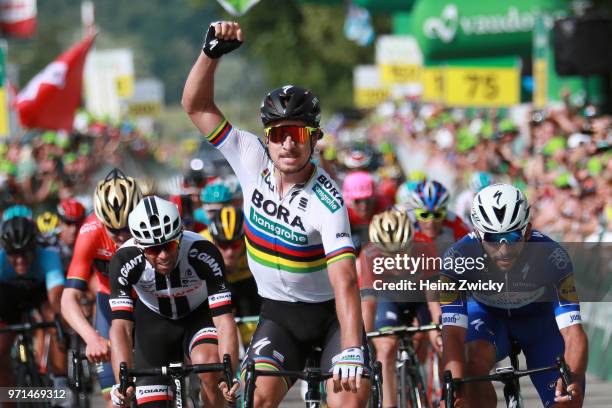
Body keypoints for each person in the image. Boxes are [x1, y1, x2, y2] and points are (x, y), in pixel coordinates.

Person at [182, 21, 370, 407]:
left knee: (350, 400)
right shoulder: (249, 157)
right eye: (279, 132)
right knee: (256, 400)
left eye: (298, 134)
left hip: (332, 317)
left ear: (314, 139)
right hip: (280, 316)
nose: (288, 143)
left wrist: (352, 347)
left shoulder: (328, 202)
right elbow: (196, 106)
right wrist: (210, 55)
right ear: (266, 136)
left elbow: (346, 283)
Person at [440, 184, 587, 407]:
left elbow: (573, 332)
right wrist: (454, 391)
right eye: (492, 238)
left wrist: (573, 378)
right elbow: (452, 334)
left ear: (527, 231)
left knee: (566, 397)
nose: (503, 250)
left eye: (512, 236)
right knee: (471, 368)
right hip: (487, 318)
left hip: (538, 323)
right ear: (478, 233)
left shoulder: (553, 257)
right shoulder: (456, 260)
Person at [108, 196, 239, 407]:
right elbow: (121, 327)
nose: (163, 255)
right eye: (152, 250)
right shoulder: (124, 260)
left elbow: (224, 320)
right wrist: (122, 382)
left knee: (211, 368)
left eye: (169, 245)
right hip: (154, 322)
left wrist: (228, 375)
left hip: (199, 315)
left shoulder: (203, 252)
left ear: (180, 235)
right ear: (140, 246)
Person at [61, 168, 142, 407]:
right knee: (115, 396)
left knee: (156, 388)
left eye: (127, 228)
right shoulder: (90, 231)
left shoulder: (151, 219)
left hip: (148, 304)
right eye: (113, 230)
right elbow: (68, 298)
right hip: (110, 305)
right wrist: (92, 338)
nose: (120, 236)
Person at [359, 210, 441, 408]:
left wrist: (438, 327)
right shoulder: (369, 255)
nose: (396, 261)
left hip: (420, 296)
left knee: (439, 340)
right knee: (385, 348)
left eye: (401, 253)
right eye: (388, 255)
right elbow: (368, 304)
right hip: (389, 299)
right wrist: (362, 343)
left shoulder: (425, 247)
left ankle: (448, 393)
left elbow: (433, 300)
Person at [0, 217, 67, 391]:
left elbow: (55, 297)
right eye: (14, 255)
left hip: (39, 294)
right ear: (5, 252)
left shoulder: (49, 256)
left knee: (54, 318)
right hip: (9, 299)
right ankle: (9, 399)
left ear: (35, 248)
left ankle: (61, 384)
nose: (20, 260)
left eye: (25, 252)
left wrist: (60, 321)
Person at [408, 180, 470, 252]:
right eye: (424, 215)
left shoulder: (456, 223)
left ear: (445, 214)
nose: (431, 222)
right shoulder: (406, 224)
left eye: (437, 215)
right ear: (415, 213)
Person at [56, 198, 87, 270]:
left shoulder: (91, 244)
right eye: (68, 223)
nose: (74, 230)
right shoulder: (48, 245)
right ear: (59, 223)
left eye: (77, 223)